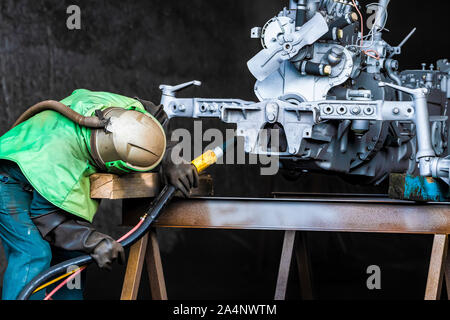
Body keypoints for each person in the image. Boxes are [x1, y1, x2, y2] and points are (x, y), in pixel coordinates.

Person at [0, 89, 198, 300]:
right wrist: (92, 241)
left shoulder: (121, 109)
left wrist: (170, 157)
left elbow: (155, 115)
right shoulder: (64, 163)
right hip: (9, 179)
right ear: (110, 165)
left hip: (39, 162)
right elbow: (48, 219)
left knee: (72, 259)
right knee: (33, 253)